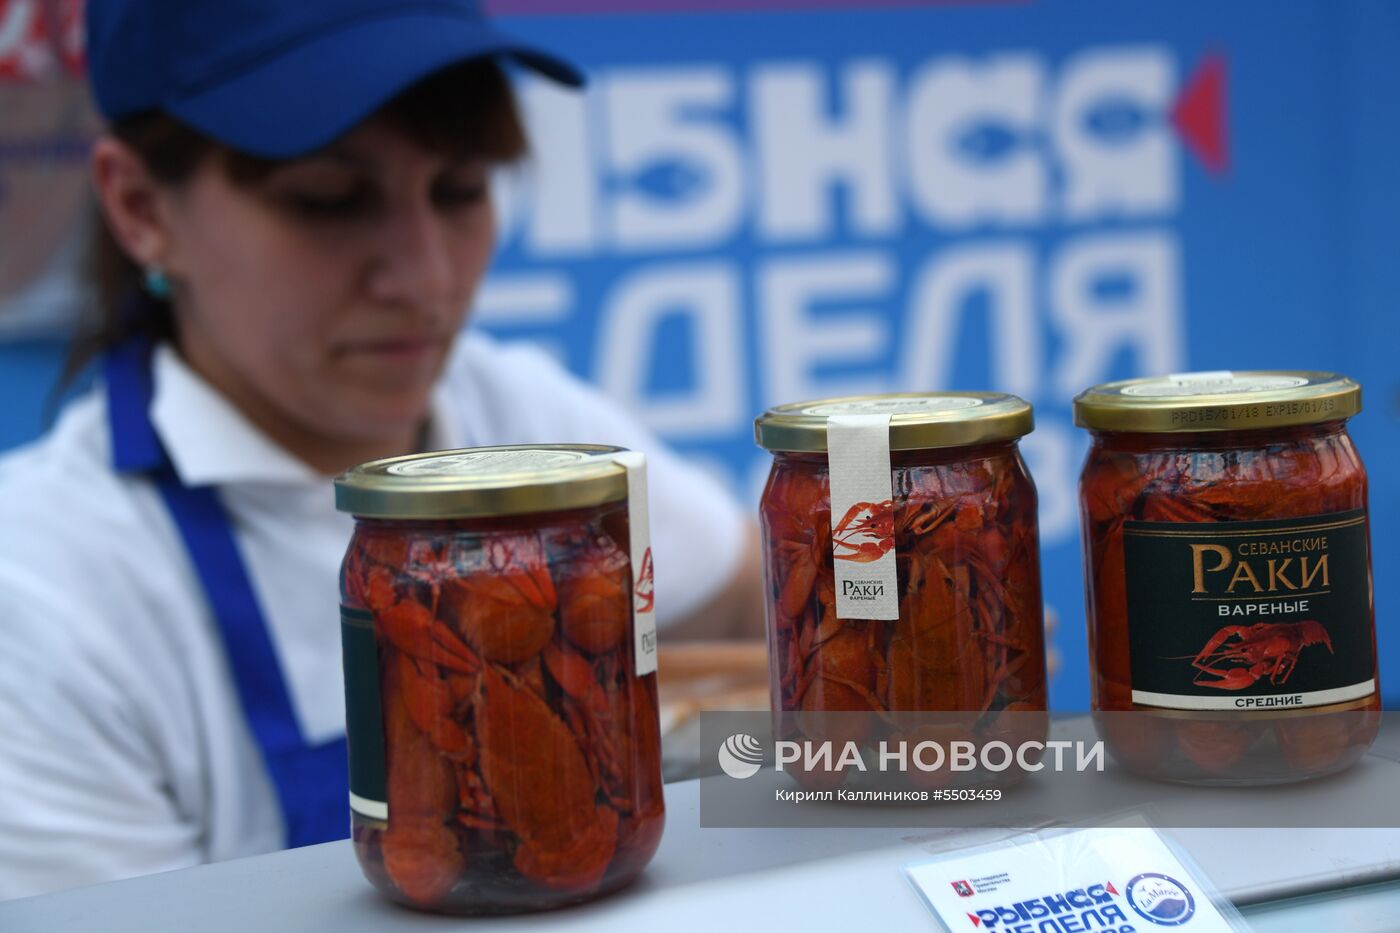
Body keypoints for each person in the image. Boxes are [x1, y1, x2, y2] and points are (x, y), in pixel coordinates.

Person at [0, 0, 763, 900]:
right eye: (330, 200)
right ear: (138, 207)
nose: (427, 279)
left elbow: (749, 609)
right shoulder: (38, 593)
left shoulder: (514, 409)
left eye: (462, 189)